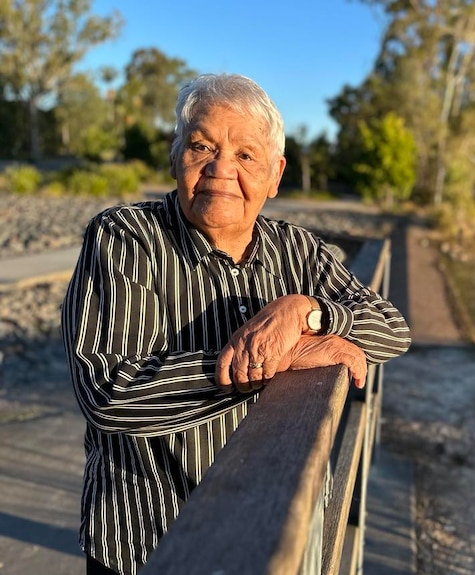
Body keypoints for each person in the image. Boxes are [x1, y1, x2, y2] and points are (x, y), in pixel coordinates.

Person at [61, 73, 411, 575]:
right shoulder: (125, 239)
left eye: (246, 155)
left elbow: (392, 327)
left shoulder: (297, 250)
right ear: (174, 153)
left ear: (275, 174)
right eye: (202, 146)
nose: (222, 170)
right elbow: (109, 393)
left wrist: (307, 313)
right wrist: (275, 359)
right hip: (146, 539)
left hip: (274, 533)